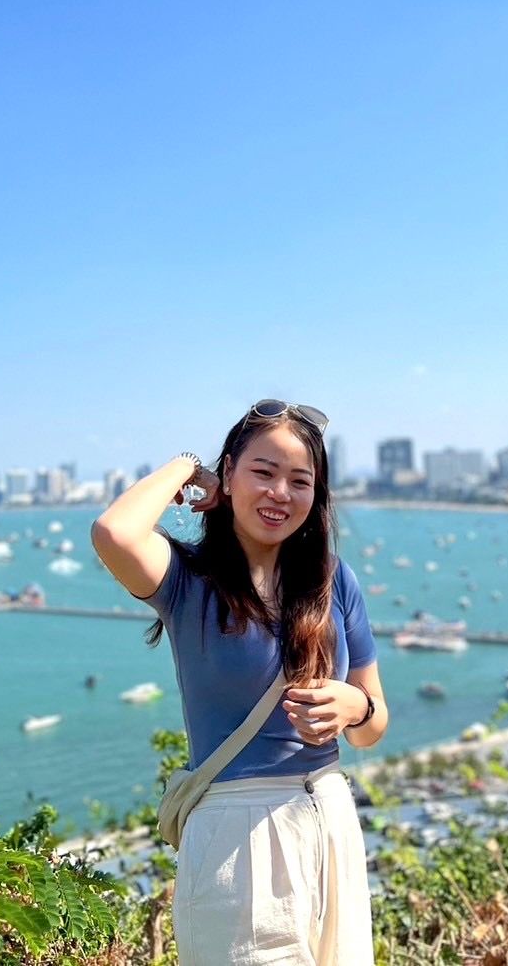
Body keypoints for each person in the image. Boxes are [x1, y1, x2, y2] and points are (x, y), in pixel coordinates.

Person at [91, 399, 387, 965]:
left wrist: (356, 707)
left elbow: (375, 726)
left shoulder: (333, 579)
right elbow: (115, 532)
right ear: (228, 475)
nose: (280, 492)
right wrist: (186, 468)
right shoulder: (188, 580)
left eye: (300, 481)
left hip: (330, 818)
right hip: (237, 834)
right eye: (263, 472)